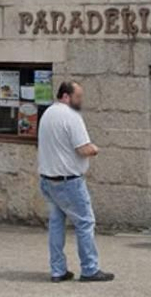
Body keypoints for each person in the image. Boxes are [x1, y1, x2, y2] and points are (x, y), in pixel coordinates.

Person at [37, 81, 113, 282]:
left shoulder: (47, 114)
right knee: (85, 222)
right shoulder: (71, 116)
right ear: (66, 96)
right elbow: (83, 149)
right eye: (78, 96)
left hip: (48, 179)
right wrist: (95, 149)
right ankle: (89, 269)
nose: (80, 101)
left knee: (56, 224)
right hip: (68, 181)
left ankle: (57, 270)